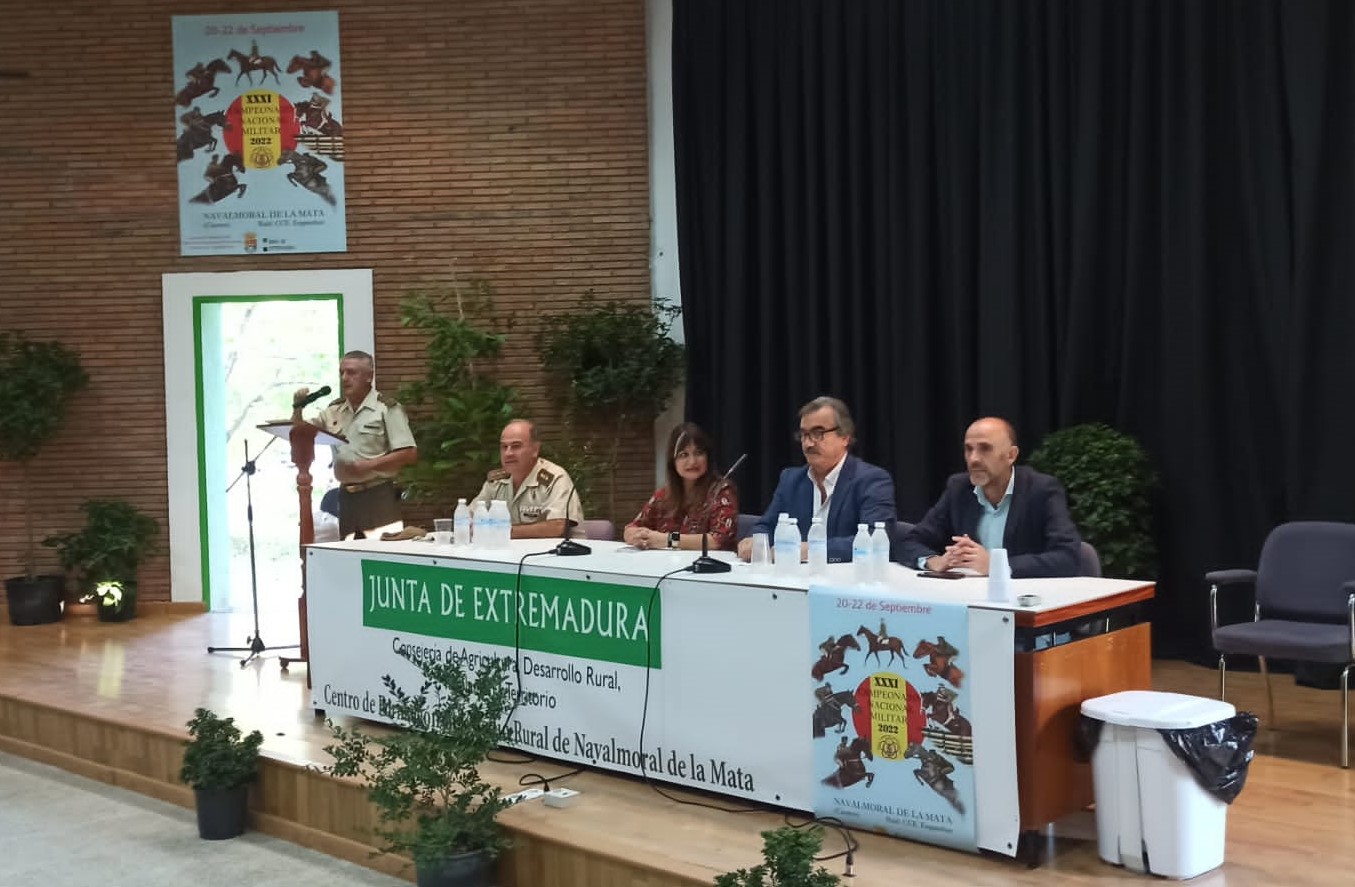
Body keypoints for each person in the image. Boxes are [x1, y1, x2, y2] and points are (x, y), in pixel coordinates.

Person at [900, 417, 1081, 578]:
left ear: (1011, 455)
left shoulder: (1041, 490)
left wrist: (996, 565)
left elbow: (1067, 557)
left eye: (985, 449)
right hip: (971, 597)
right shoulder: (959, 488)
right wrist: (933, 561)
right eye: (968, 449)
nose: (973, 459)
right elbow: (911, 541)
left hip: (1028, 599)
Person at [737, 396, 897, 563]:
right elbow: (766, 525)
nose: (808, 444)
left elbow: (875, 538)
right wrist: (754, 541)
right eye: (804, 435)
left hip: (848, 580)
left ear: (845, 437)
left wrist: (812, 550)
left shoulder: (872, 480)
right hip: (794, 579)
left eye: (817, 433)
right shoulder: (791, 479)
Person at [292, 351, 417, 539]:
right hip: (346, 497)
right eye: (342, 372)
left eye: (351, 373)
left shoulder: (386, 408)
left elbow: (409, 453)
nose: (345, 378)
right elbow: (298, 433)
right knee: (349, 557)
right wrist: (297, 408)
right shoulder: (333, 410)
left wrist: (368, 465)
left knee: (381, 556)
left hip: (378, 495)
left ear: (369, 376)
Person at [623, 423, 739, 551]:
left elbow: (718, 541)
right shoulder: (663, 495)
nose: (693, 462)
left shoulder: (722, 492)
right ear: (673, 462)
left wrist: (667, 540)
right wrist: (633, 535)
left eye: (699, 453)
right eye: (684, 455)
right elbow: (632, 527)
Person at [470, 419, 583, 539]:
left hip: (559, 554)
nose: (508, 453)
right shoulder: (496, 481)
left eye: (516, 446)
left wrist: (501, 531)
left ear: (535, 449)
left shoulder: (555, 478)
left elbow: (557, 527)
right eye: (504, 447)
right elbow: (467, 517)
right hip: (512, 555)